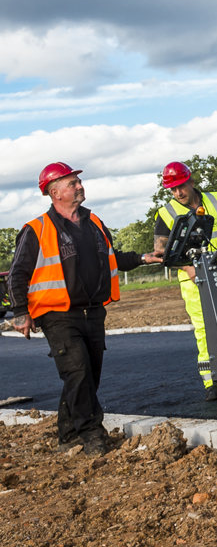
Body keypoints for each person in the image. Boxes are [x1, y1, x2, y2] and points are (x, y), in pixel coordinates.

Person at [7, 163, 162, 455]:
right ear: (55, 192)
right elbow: (17, 274)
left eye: (78, 181)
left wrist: (143, 257)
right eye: (72, 183)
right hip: (57, 315)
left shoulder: (95, 223)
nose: (79, 186)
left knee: (87, 376)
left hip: (93, 312)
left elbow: (111, 259)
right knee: (77, 372)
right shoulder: (36, 229)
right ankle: (92, 435)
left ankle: (68, 433)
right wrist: (20, 312)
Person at [153, 162, 217, 400]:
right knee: (204, 329)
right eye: (172, 189)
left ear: (191, 181)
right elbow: (160, 253)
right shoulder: (166, 213)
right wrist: (188, 266)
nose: (178, 193)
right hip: (194, 282)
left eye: (180, 186)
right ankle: (212, 382)